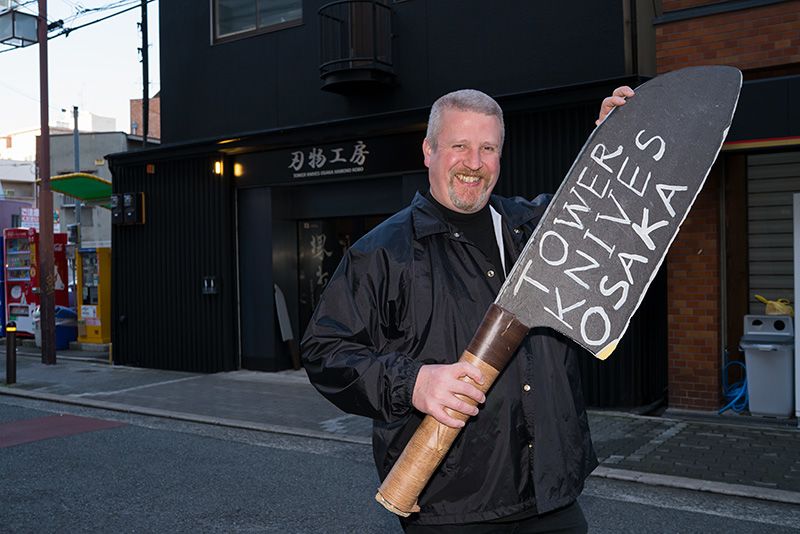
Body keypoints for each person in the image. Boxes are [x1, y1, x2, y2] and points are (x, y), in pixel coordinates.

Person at [302, 86, 633, 532]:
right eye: (459, 145)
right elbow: (325, 351)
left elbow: (603, 216)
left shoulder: (537, 230)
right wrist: (413, 382)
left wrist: (613, 145)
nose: (474, 162)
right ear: (429, 151)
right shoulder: (383, 252)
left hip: (552, 496)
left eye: (488, 148)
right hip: (452, 507)